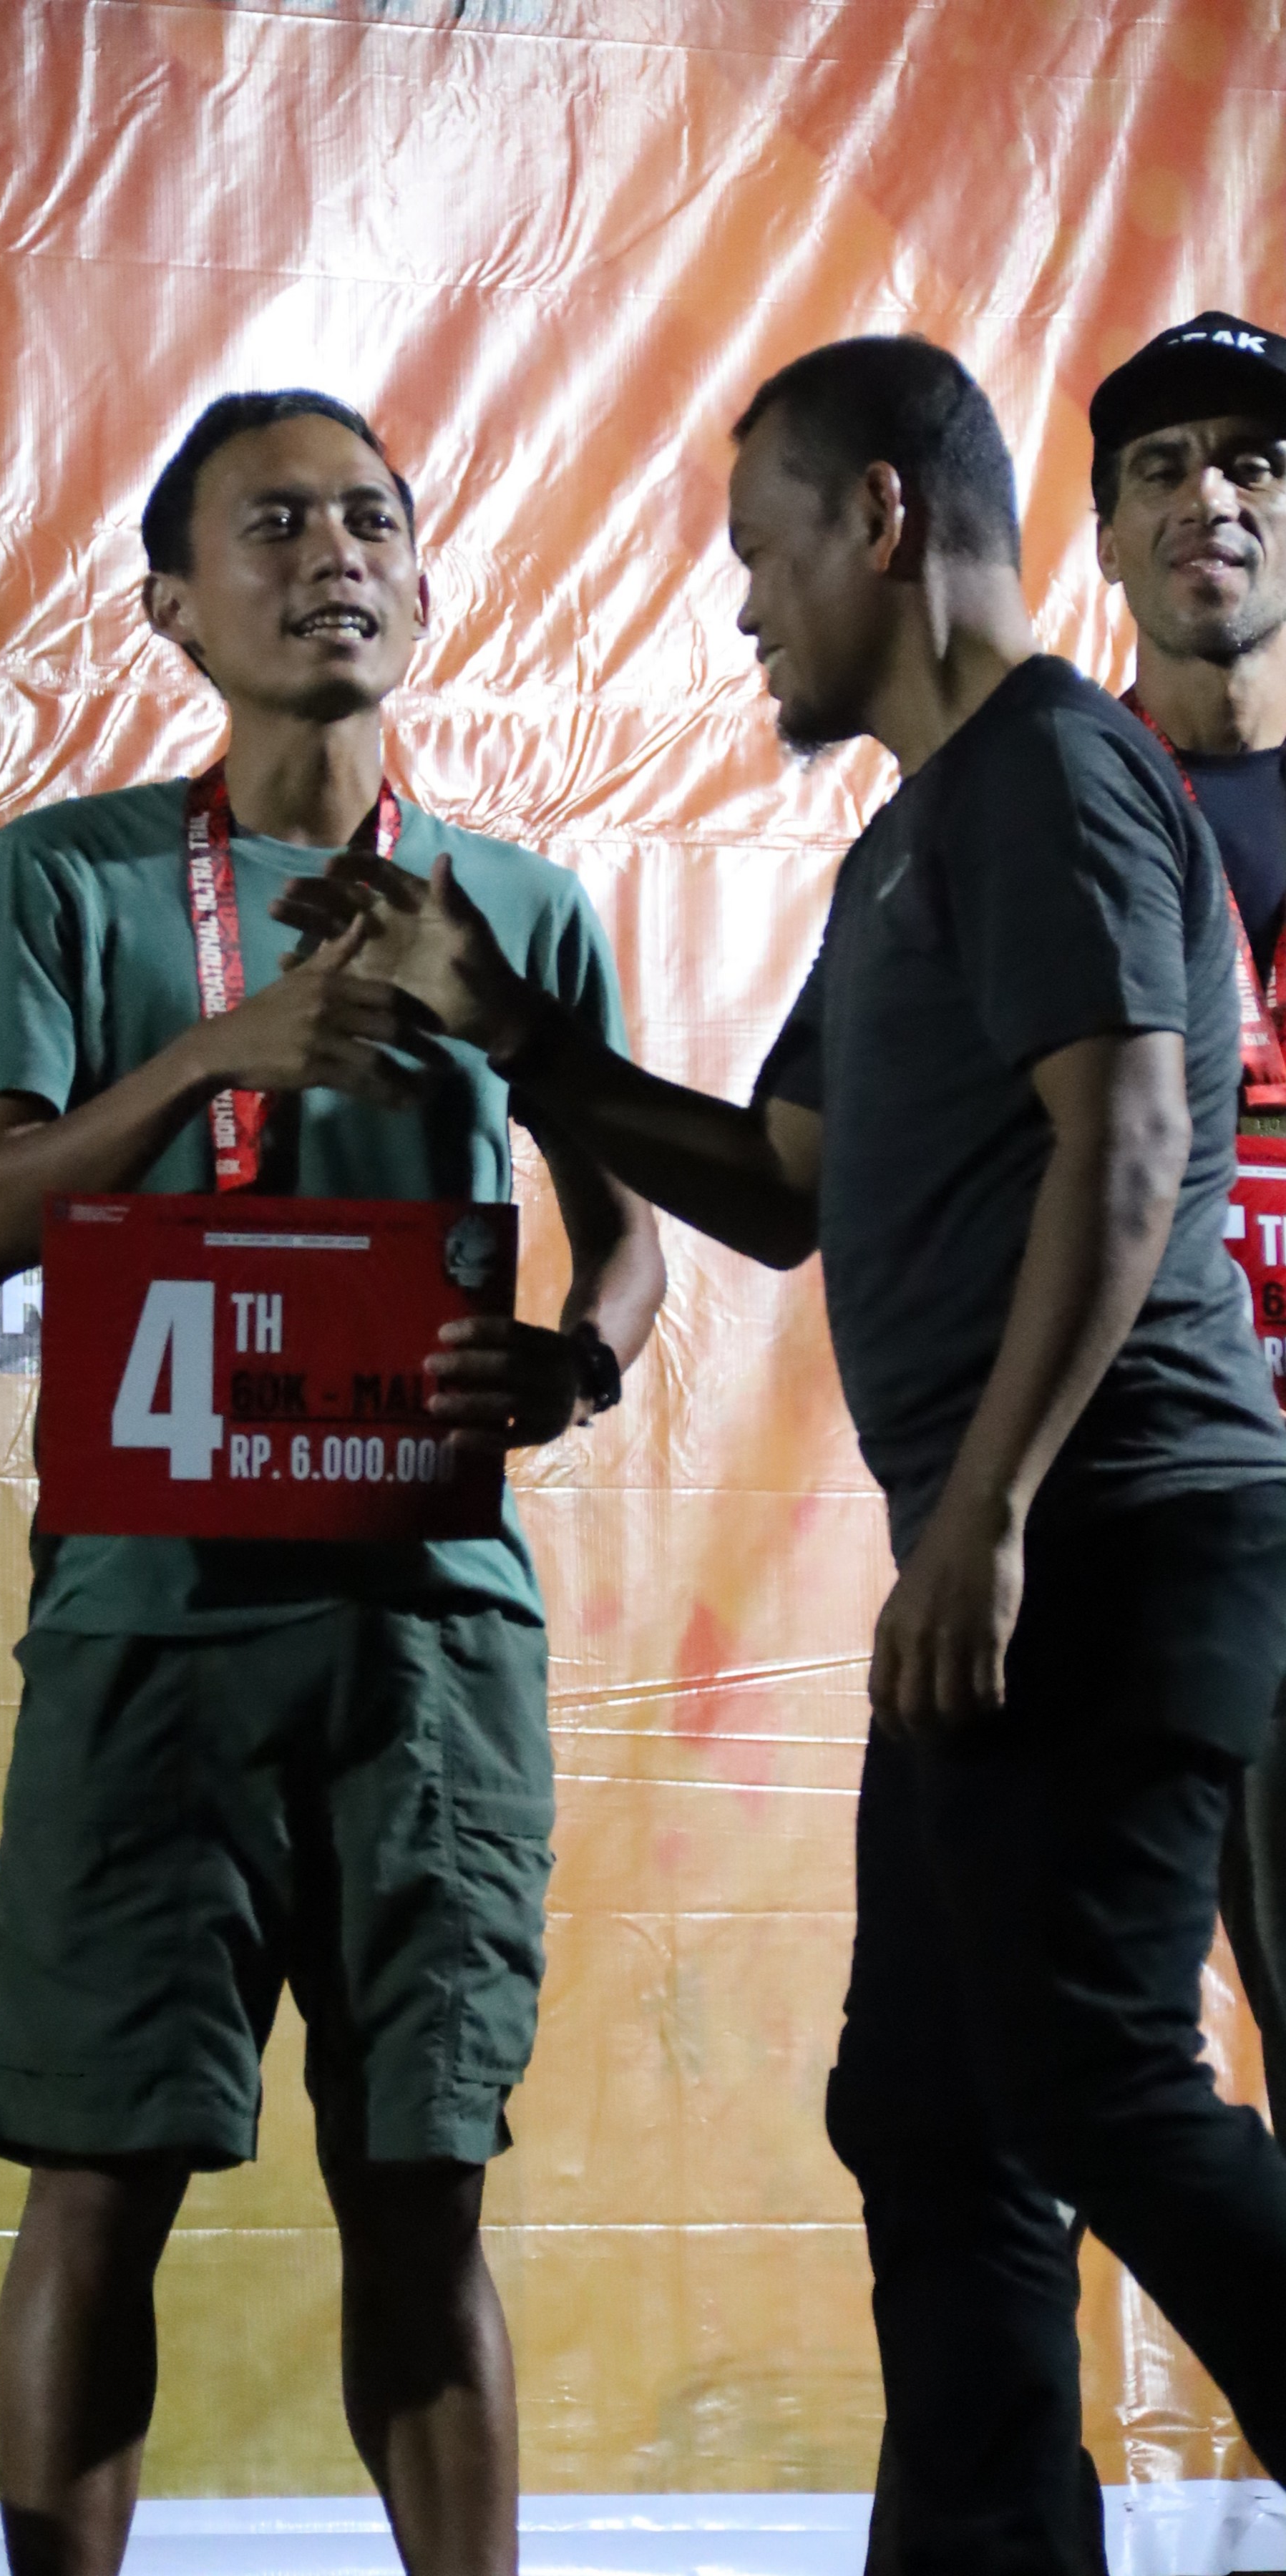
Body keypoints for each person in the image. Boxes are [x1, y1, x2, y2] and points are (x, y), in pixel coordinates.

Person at [275, 337, 1286, 2576]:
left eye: (762, 549)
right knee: (927, 2110)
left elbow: (1129, 1146)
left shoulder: (1049, 769)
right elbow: (777, 1182)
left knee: (1098, 2086)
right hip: (1013, 1555)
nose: (742, 606)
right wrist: (510, 1027)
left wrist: (993, 1511)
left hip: (1117, 1532)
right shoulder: (914, 839)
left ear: (883, 519)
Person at [0, 389, 664, 2576]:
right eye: (273, 525)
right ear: (170, 604)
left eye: (370, 521)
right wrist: (216, 1054)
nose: (334, 555)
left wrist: (577, 1366)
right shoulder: (65, 878)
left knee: (423, 2189)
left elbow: (628, 1239)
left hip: (431, 1635)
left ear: (421, 583)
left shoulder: (519, 904)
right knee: (99, 2180)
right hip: (148, 1616)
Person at [1091, 311, 1286, 2126]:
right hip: (1140, 1521)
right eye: (1163, 466)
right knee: (1081, 2067)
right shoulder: (1034, 806)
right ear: (1105, 538)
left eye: (1255, 463)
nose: (1211, 497)